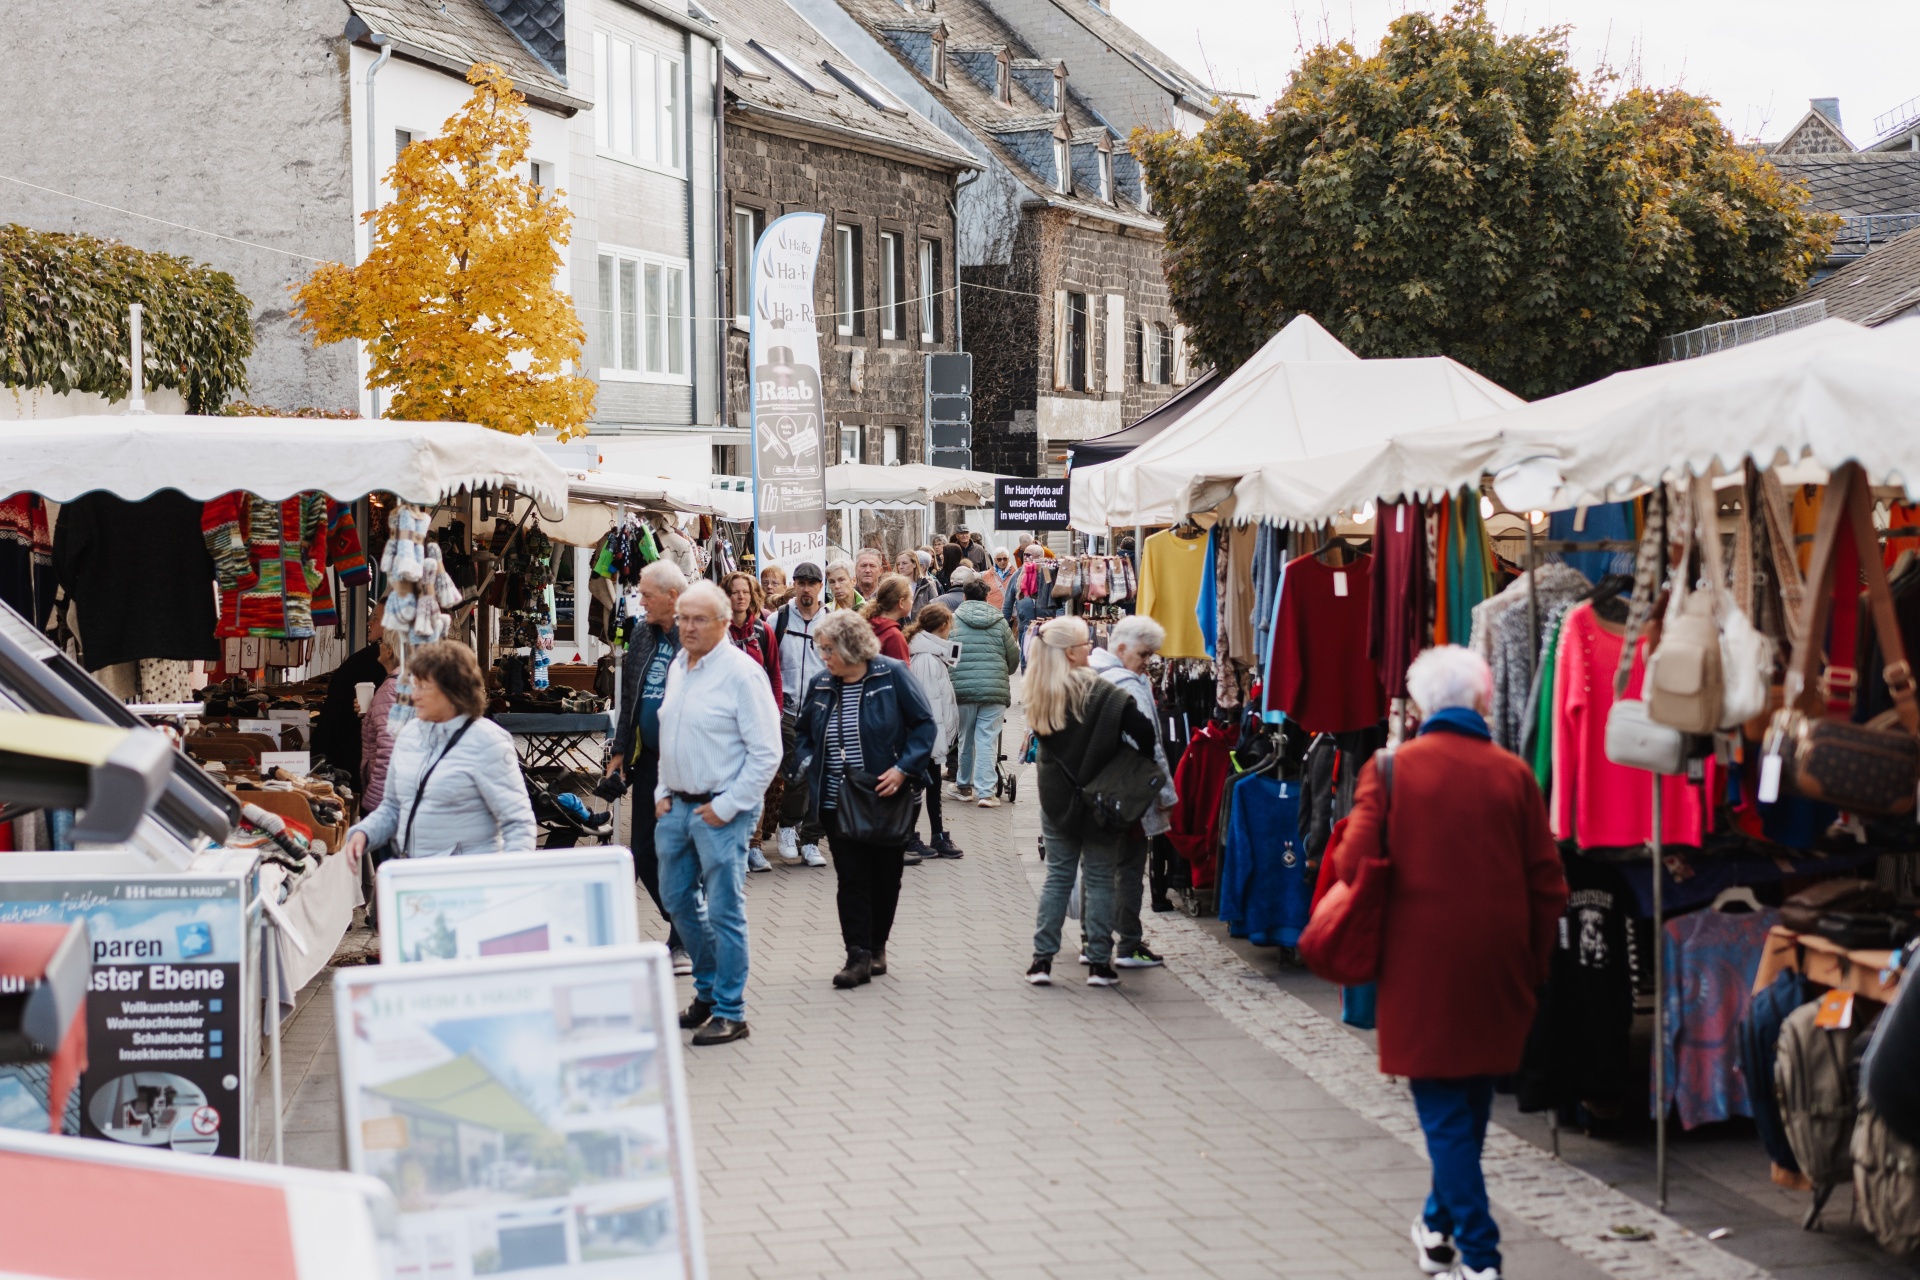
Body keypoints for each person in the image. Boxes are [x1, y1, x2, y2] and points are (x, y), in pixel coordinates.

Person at [1331, 645, 1567, 1280]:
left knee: (1444, 1113)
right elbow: (1549, 886)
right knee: (1467, 1110)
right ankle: (1436, 1228)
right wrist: (1532, 962)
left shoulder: (1391, 770)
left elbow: (1351, 865)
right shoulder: (1514, 774)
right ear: (1485, 701)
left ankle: (1482, 1261)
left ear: (1421, 706)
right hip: (1500, 966)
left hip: (1420, 969)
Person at [654, 581, 784, 1046]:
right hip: (675, 806)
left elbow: (768, 753)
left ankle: (731, 1009)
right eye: (683, 617)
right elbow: (672, 731)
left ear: (724, 624)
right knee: (675, 899)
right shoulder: (678, 666)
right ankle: (708, 992)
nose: (687, 627)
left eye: (698, 619)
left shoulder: (741, 674)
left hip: (721, 811)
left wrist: (727, 806)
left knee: (726, 910)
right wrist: (660, 789)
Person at [791, 610, 936, 990]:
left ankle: (877, 946)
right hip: (837, 799)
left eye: (828, 650)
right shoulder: (822, 683)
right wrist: (809, 765)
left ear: (851, 648)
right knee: (852, 879)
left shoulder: (892, 675)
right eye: (821, 650)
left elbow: (924, 724)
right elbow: (804, 732)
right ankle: (857, 954)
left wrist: (904, 768)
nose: (824, 658)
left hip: (885, 794)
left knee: (886, 878)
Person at [1022, 618, 1157, 988]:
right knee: (1099, 879)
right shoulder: (1101, 692)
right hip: (1101, 800)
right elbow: (1144, 732)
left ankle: (1041, 962)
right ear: (1070, 652)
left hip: (1056, 801)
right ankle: (1099, 963)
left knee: (1057, 879)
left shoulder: (1038, 692)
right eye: (1085, 643)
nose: (1091, 646)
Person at [343, 642, 536, 866]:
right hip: (416, 877)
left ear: (453, 689)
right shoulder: (408, 735)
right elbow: (393, 808)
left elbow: (518, 823)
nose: (414, 695)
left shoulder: (488, 741)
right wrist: (363, 834)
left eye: (423, 687)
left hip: (467, 881)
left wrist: (508, 882)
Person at [604, 560, 691, 965]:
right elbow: (630, 699)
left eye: (647, 595)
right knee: (642, 849)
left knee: (677, 850)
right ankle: (687, 925)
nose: (641, 602)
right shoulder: (642, 632)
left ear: (672, 598)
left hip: (686, 764)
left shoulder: (693, 635)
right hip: (649, 760)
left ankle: (684, 938)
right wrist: (619, 750)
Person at [1090, 616, 1178, 968]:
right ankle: (1129, 945)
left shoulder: (1093, 675)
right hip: (1128, 794)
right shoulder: (1128, 685)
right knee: (1128, 869)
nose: (1148, 663)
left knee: (1098, 869)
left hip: (1096, 792)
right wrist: (1166, 794)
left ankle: (1092, 941)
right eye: (1144, 654)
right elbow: (1150, 746)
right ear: (1122, 648)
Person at [769, 562, 830, 867]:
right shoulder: (778, 619)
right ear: (793, 585)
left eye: (812, 583)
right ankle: (788, 824)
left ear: (821, 586)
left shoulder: (833, 621)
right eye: (801, 583)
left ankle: (811, 839)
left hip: (823, 711)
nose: (806, 589)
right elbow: (768, 664)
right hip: (789, 711)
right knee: (797, 773)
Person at [949, 577, 1019, 807]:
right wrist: (1003, 672)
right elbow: (1013, 657)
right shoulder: (999, 622)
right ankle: (987, 793)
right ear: (987, 596)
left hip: (962, 690)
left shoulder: (953, 621)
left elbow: (948, 657)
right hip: (993, 690)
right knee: (987, 739)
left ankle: (964, 786)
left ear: (965, 596)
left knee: (965, 738)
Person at [905, 603, 963, 859]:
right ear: (942, 627)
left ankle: (934, 834)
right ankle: (913, 836)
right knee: (923, 785)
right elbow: (929, 705)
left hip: (930, 735)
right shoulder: (927, 659)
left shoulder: (930, 655)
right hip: (928, 736)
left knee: (931, 784)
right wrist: (933, 740)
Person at [313, 615, 386, 778]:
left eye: (376, 618)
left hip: (364, 767)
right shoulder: (368, 664)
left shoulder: (367, 664)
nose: (369, 622)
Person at [358, 634, 402, 819]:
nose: (379, 647)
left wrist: (374, 802)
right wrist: (370, 713)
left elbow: (389, 750)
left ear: (390, 650)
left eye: (382, 643)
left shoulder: (391, 688)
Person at [862, 574, 913, 662]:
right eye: (911, 598)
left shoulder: (869, 624)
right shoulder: (894, 636)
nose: (913, 602)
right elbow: (901, 673)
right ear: (901, 603)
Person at [896, 549, 934, 617]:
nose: (900, 567)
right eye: (898, 564)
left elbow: (935, 609)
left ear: (914, 564)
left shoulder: (927, 585)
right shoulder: (894, 586)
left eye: (904, 563)